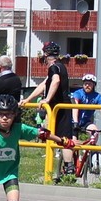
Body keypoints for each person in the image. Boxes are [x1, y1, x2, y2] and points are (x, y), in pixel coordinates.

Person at [32, 43, 73, 179]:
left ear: (45, 54)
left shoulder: (54, 67)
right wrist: (27, 99)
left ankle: (69, 169)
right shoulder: (60, 66)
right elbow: (43, 84)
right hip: (59, 108)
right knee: (56, 136)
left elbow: (55, 81)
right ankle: (66, 168)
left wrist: (47, 99)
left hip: (60, 107)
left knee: (64, 138)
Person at [68, 73, 101, 180]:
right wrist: (75, 123)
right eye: (85, 83)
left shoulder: (97, 96)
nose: (87, 86)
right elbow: (75, 107)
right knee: (73, 144)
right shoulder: (78, 93)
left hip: (86, 122)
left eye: (90, 84)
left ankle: (85, 153)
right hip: (73, 121)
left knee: (95, 131)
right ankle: (68, 165)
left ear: (94, 85)